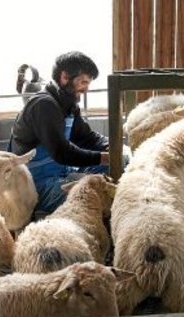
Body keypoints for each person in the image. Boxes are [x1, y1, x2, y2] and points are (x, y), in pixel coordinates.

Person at [9, 51, 110, 215]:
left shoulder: (68, 105)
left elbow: (86, 137)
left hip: (61, 173)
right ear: (64, 77)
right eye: (83, 82)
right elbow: (62, 152)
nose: (86, 89)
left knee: (111, 170)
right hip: (36, 185)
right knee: (92, 197)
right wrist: (102, 157)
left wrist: (111, 146)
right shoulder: (43, 105)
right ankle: (41, 211)